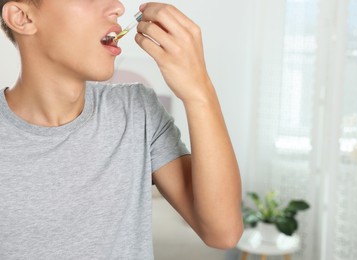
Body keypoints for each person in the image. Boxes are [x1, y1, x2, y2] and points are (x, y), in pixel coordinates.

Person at [0, 0, 243, 259]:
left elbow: (223, 233)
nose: (117, 7)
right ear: (22, 17)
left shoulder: (137, 112)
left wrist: (199, 92)